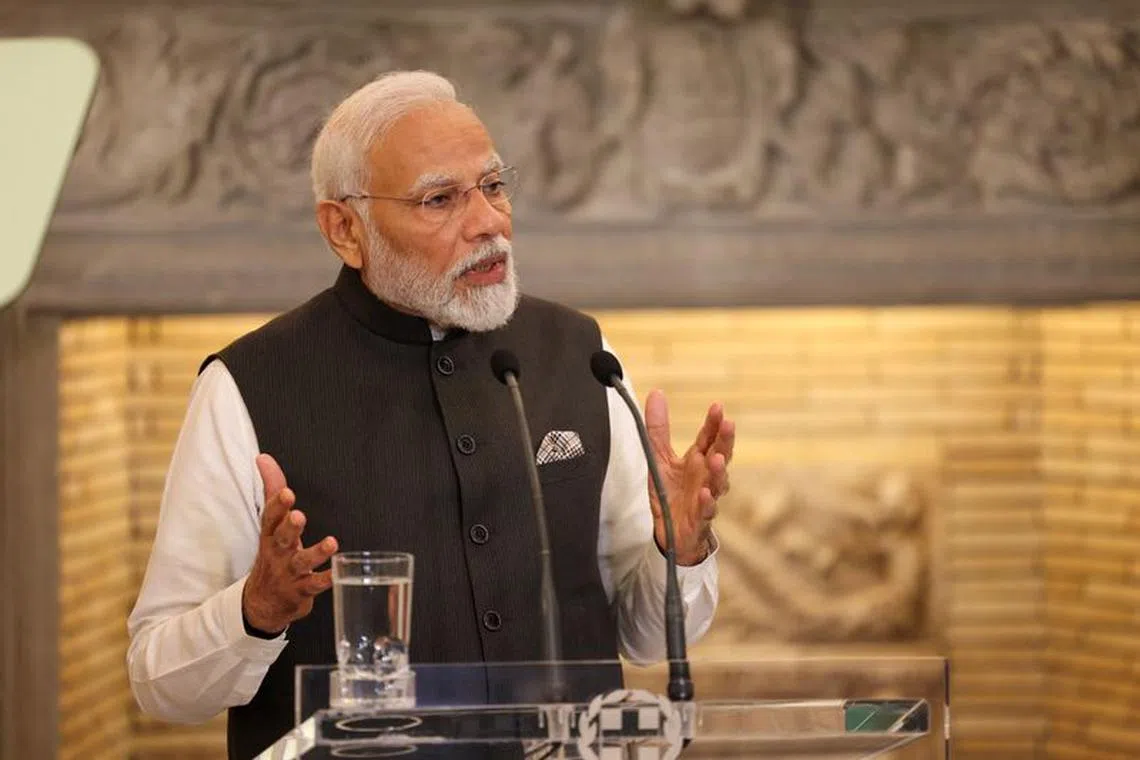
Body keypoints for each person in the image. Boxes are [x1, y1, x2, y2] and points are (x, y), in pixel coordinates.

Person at [126, 70, 735, 759]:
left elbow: (647, 637)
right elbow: (159, 682)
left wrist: (678, 552)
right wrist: (254, 612)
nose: (488, 224)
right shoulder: (246, 387)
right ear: (345, 230)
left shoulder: (582, 356)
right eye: (440, 199)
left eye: (494, 187)